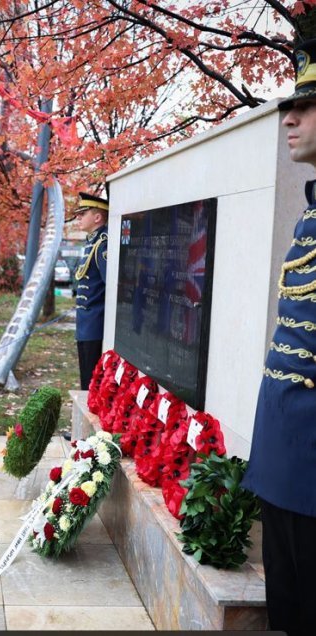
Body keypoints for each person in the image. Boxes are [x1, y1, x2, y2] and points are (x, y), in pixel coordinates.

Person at [241, 38, 316, 634]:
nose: (288, 119)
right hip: (286, 451)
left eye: (307, 106)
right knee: (286, 609)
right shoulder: (311, 213)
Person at [73, 191, 109, 391]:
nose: (78, 217)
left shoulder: (102, 244)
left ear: (97, 217)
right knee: (86, 379)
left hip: (95, 324)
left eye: (82, 213)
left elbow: (109, 285)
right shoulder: (91, 242)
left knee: (91, 384)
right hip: (86, 323)